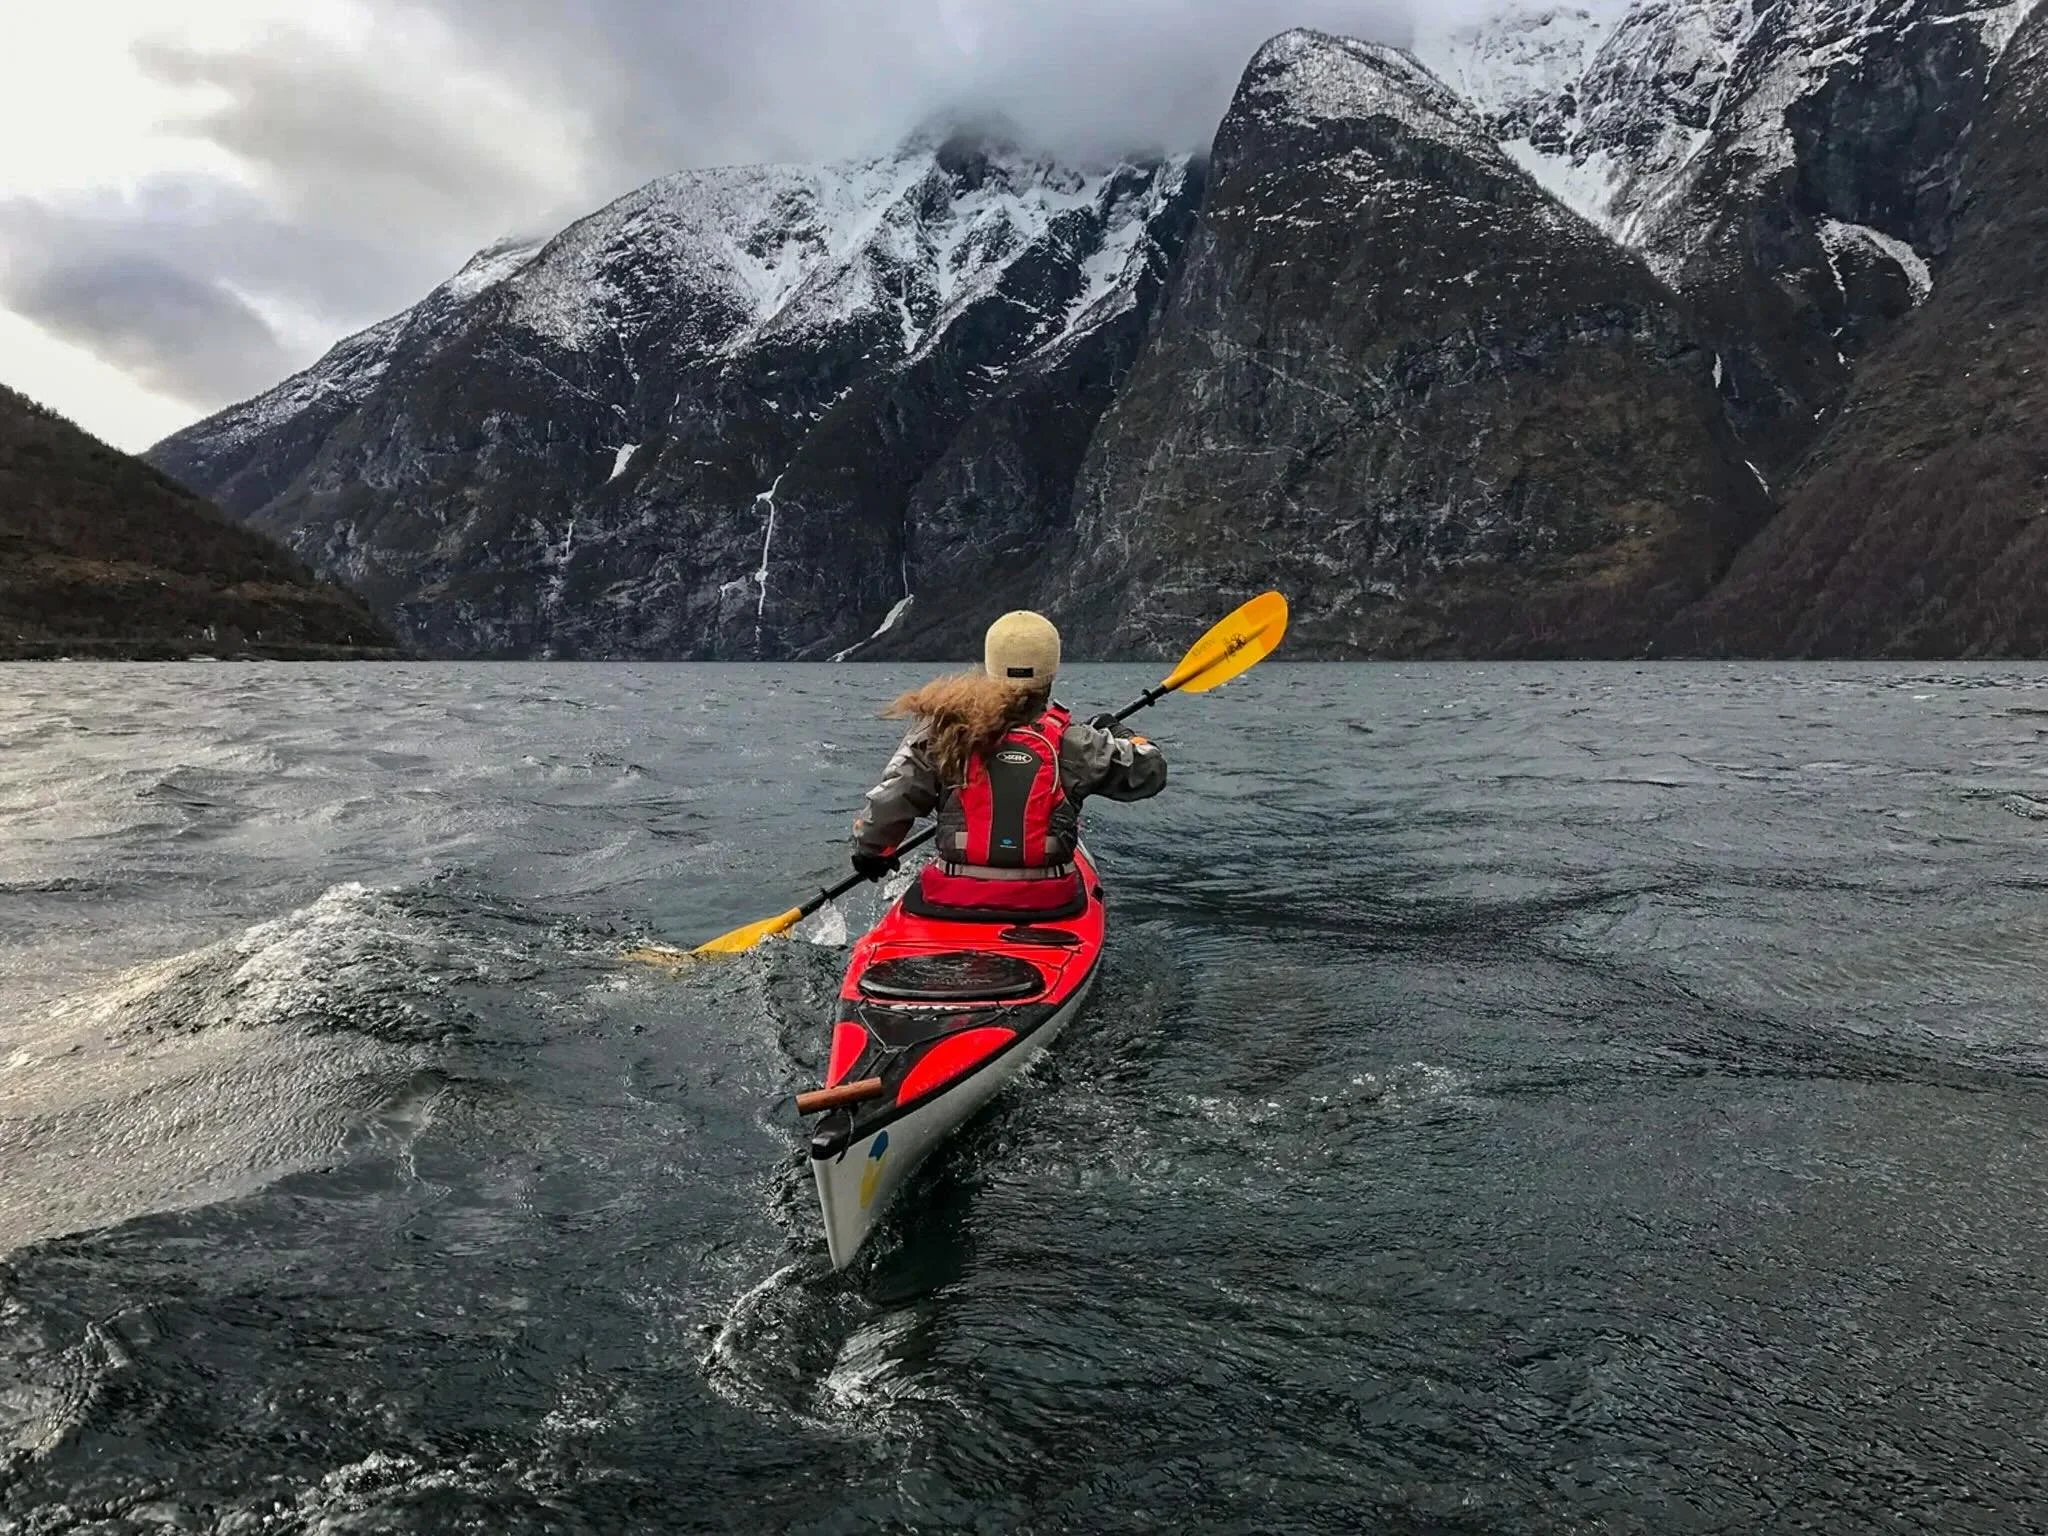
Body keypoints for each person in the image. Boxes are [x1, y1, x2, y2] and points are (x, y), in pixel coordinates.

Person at [850, 610, 1166, 920]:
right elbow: (1149, 772)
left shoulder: (944, 734)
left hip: (952, 897)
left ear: (991, 666)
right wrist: (1120, 733)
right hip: (1048, 901)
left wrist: (872, 852)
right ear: (1052, 670)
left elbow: (892, 798)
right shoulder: (1077, 742)